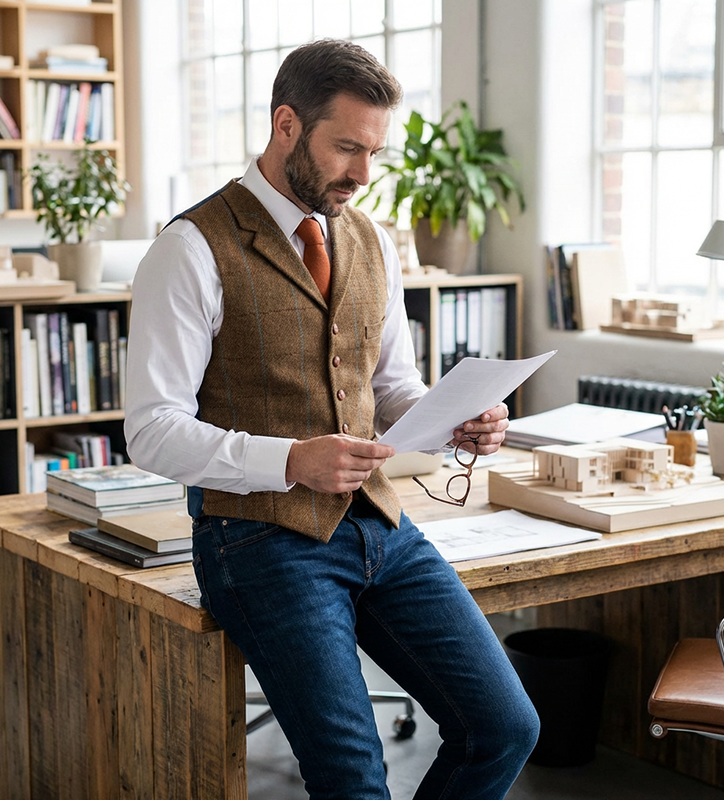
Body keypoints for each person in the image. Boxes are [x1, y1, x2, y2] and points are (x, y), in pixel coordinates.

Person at [124, 38, 538, 800]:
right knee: (354, 778)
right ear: (287, 124)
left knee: (506, 726)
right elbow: (151, 428)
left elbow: (392, 388)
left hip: (379, 526)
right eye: (347, 147)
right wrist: (290, 461)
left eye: (374, 151)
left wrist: (455, 421)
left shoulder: (373, 240)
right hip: (256, 539)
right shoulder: (189, 249)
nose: (362, 175)